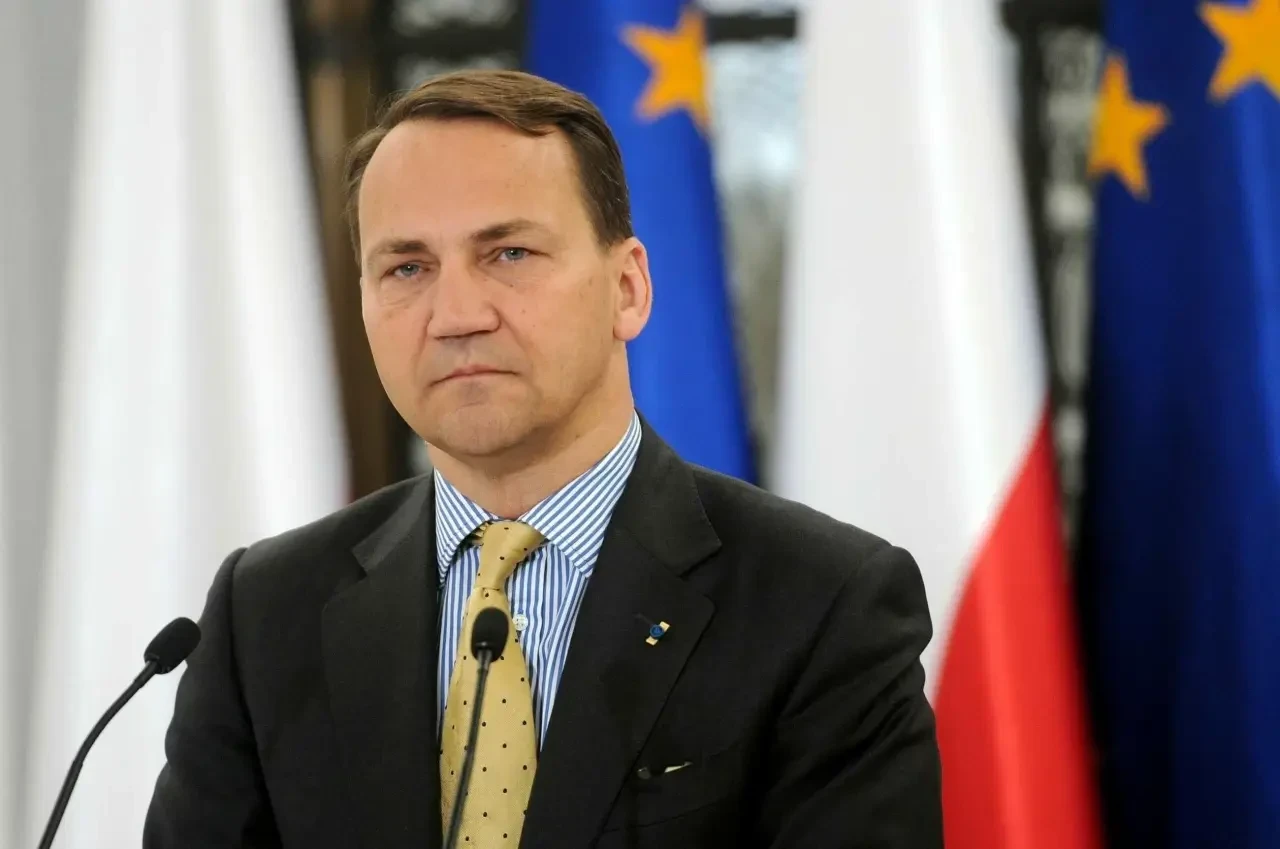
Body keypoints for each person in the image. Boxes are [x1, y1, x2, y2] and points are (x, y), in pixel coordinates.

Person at [144, 69, 942, 849]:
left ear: (627, 288)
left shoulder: (822, 605)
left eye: (509, 254)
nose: (456, 314)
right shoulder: (263, 615)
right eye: (407, 268)